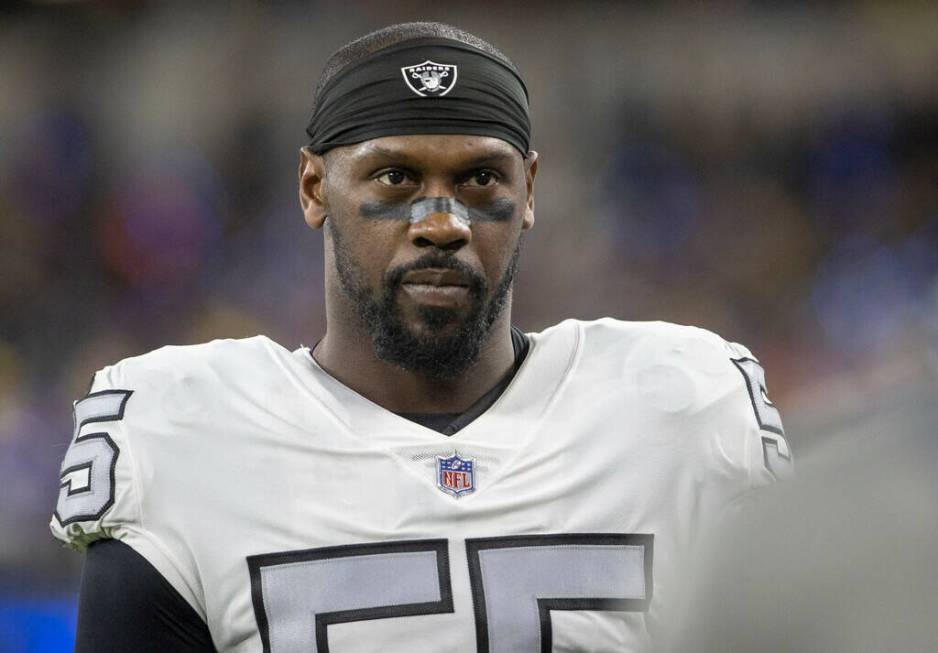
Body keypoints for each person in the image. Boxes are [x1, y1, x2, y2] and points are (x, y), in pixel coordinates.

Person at [50, 21, 792, 653]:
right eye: (395, 177)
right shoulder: (185, 433)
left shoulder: (680, 408)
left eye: (480, 180)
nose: (442, 222)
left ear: (529, 192)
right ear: (315, 189)